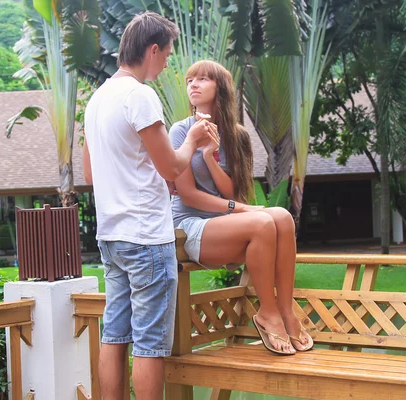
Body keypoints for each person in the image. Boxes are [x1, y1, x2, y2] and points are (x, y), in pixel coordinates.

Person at [83, 13, 220, 400]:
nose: (168, 63)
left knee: (114, 334)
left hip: (111, 235)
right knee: (149, 344)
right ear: (153, 49)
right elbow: (172, 167)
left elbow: (91, 174)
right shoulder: (139, 95)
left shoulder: (98, 98)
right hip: (145, 237)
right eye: (167, 54)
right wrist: (192, 138)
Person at [169, 60, 314, 355]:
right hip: (190, 223)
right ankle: (267, 313)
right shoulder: (180, 131)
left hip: (227, 221)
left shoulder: (237, 136)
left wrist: (210, 156)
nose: (193, 85)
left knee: (283, 217)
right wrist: (244, 210)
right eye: (190, 80)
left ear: (220, 88)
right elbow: (189, 196)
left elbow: (233, 191)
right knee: (261, 222)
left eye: (203, 79)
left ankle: (286, 311)